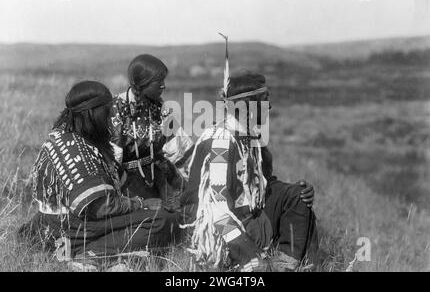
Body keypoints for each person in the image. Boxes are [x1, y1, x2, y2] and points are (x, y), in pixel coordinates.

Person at [18, 81, 181, 265]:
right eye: (107, 111)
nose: (111, 116)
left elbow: (122, 180)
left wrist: (152, 197)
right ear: (91, 113)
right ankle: (90, 254)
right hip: (70, 225)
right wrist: (142, 204)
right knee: (161, 222)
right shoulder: (75, 149)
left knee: (166, 215)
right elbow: (100, 207)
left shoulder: (74, 136)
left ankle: (76, 249)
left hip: (60, 222)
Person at [180, 73, 318, 272]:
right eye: (265, 100)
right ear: (248, 106)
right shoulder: (221, 142)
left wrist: (298, 191)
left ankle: (287, 265)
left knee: (298, 197)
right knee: (254, 264)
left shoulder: (248, 134)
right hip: (220, 230)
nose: (269, 106)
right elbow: (216, 211)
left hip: (249, 214)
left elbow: (262, 183)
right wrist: (247, 253)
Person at [109, 54, 193, 208]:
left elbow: (178, 144)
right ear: (142, 83)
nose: (163, 86)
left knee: (183, 210)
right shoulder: (117, 108)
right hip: (127, 180)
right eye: (158, 81)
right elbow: (114, 157)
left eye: (164, 80)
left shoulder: (158, 106)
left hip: (158, 175)